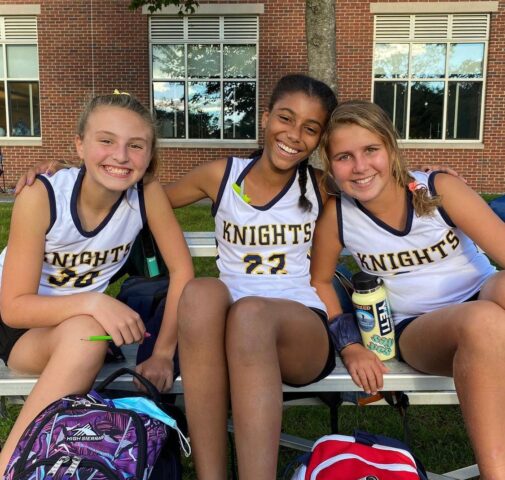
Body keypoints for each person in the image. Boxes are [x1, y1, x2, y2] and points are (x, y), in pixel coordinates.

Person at [15, 78, 462, 480]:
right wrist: (68, 170)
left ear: (320, 140)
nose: (293, 134)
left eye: (310, 128)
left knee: (248, 313)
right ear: (265, 118)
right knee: (205, 290)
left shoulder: (324, 185)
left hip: (298, 329)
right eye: (285, 118)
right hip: (228, 327)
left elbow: (378, 177)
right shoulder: (222, 175)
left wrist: (435, 182)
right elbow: (134, 193)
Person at [0, 92, 194, 476]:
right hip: (19, 326)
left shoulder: (146, 194)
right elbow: (14, 307)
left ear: (149, 155)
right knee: (90, 335)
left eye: (135, 145)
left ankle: (56, 460)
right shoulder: (42, 194)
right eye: (106, 141)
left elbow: (183, 272)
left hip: (77, 327)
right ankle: (12, 465)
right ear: (80, 145)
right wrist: (93, 302)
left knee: (89, 336)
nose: (120, 156)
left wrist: (161, 352)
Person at [310, 100, 505, 479]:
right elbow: (318, 280)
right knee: (483, 321)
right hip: (418, 328)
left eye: (371, 150)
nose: (361, 166)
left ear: (391, 148)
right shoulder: (338, 216)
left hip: (482, 293)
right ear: (329, 165)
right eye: (344, 157)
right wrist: (349, 345)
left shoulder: (438, 188)